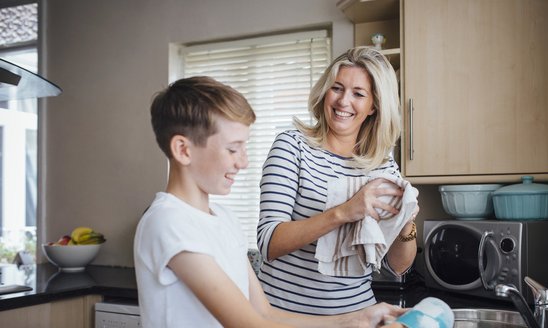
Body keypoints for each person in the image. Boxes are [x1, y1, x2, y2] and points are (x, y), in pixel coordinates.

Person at [133, 76, 407, 328]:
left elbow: (265, 313)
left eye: (244, 147)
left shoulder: (223, 218)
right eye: (232, 148)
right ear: (183, 149)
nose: (244, 162)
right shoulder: (169, 223)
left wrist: (360, 318)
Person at [257, 46, 420, 315]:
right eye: (337, 88)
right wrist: (344, 212)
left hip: (357, 317)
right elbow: (269, 243)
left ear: (374, 106)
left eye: (358, 94)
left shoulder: (383, 165)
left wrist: (406, 223)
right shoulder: (292, 146)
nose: (343, 101)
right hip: (285, 317)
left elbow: (397, 267)